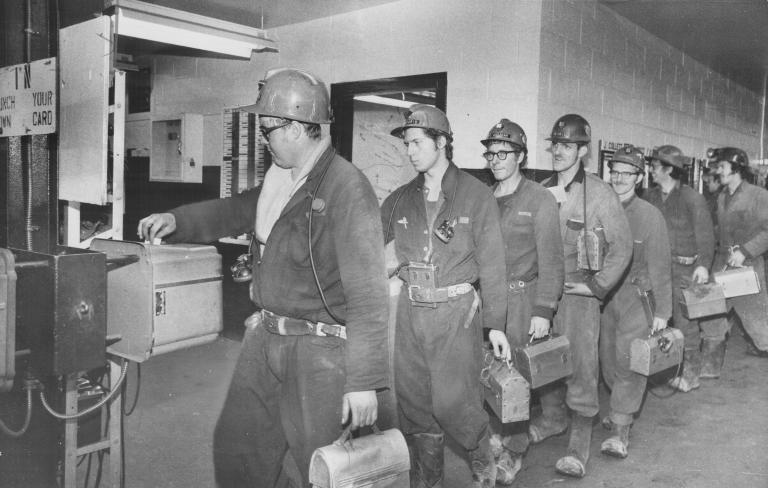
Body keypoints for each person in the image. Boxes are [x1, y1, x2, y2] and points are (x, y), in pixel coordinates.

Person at [138, 68, 390, 487]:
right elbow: (236, 210)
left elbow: (368, 293)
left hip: (320, 350)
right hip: (266, 337)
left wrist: (364, 381)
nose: (263, 139)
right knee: (239, 448)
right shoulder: (284, 179)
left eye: (268, 130)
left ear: (296, 128)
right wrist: (176, 220)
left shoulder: (347, 188)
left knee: (321, 465)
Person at [381, 104, 511, 488]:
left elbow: (493, 264)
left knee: (454, 403)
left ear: (441, 142)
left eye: (417, 142)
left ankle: (484, 463)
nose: (410, 151)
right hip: (411, 312)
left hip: (456, 312)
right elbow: (373, 252)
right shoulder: (399, 199)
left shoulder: (475, 195)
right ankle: (427, 482)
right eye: (407, 144)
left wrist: (496, 326)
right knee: (415, 404)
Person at [532, 114, 632, 478]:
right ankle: (553, 418)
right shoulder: (541, 190)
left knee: (581, 365)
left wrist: (596, 286)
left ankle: (579, 441)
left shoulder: (600, 193)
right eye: (555, 144)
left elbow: (622, 248)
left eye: (567, 145)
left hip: (578, 296)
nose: (559, 151)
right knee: (543, 359)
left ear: (583, 151)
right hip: (544, 293)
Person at [481, 118, 564, 485]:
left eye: (504, 153)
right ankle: (496, 433)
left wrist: (543, 310)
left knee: (515, 378)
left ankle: (514, 450)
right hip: (488, 299)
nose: (495, 160)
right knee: (489, 372)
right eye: (491, 153)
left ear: (521, 156)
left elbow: (552, 260)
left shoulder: (539, 199)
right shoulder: (484, 198)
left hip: (522, 300)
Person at [600, 145, 672, 458]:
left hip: (636, 297)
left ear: (639, 178)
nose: (618, 179)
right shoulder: (600, 209)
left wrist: (663, 311)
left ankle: (620, 427)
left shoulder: (650, 216)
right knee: (607, 360)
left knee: (629, 360)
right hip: (605, 298)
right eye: (614, 172)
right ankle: (619, 409)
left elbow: (661, 266)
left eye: (626, 174)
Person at [644, 145, 715, 390]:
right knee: (656, 321)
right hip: (656, 271)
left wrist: (703, 265)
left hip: (685, 271)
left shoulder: (692, 198)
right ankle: (662, 370)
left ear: (668, 169)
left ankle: (691, 375)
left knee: (686, 324)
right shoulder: (649, 197)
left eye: (655, 166)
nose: (651, 170)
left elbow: (706, 236)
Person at [702, 147, 768, 360]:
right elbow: (720, 231)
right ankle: (710, 368)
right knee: (709, 316)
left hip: (746, 269)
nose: (718, 171)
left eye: (722, 166)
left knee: (759, 328)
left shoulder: (758, 195)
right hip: (723, 266)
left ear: (737, 168)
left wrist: (745, 251)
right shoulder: (722, 197)